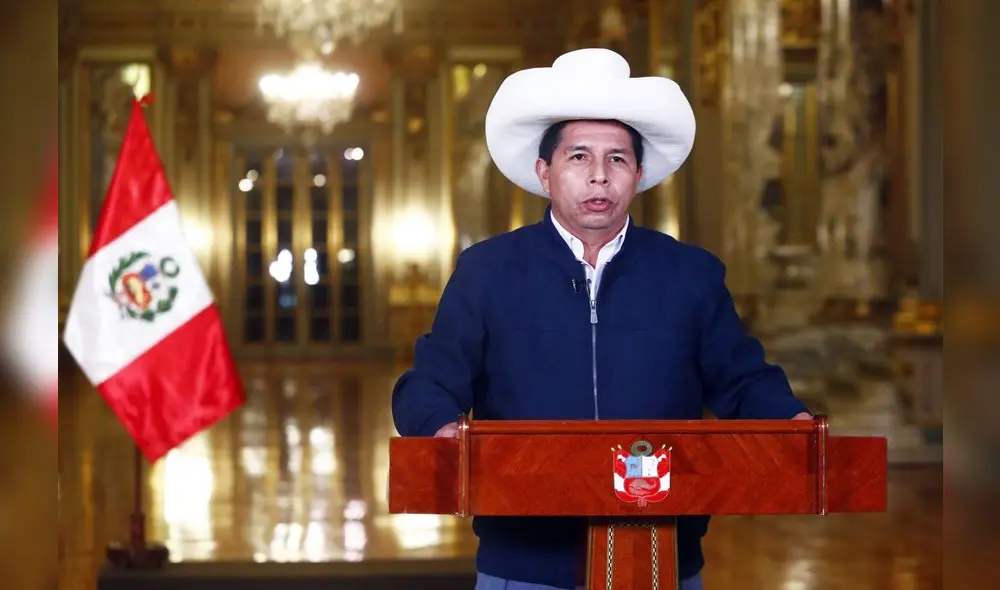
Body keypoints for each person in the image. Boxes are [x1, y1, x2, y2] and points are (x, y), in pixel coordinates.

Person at [391, 48, 812, 590]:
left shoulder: (691, 274)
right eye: (578, 157)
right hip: (522, 561)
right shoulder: (488, 272)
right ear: (544, 173)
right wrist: (440, 425)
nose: (598, 177)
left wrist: (795, 423)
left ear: (638, 174)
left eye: (616, 160)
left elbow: (743, 379)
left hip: (663, 556)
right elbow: (429, 381)